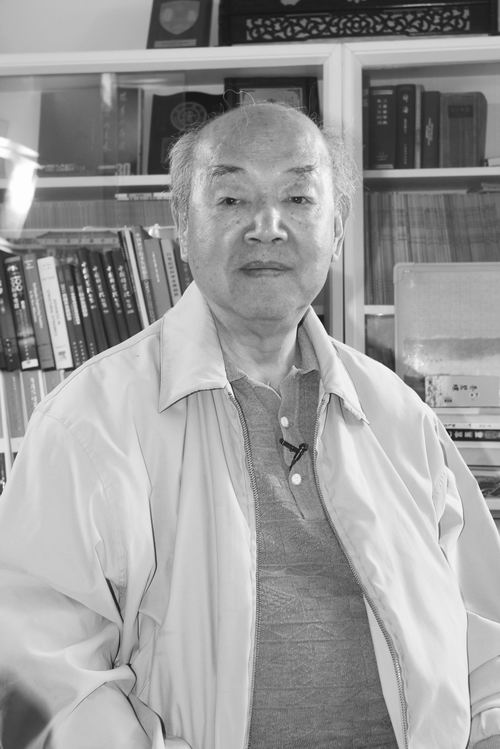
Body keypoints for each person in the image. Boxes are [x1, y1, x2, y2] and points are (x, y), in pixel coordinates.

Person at [1, 101, 500, 749]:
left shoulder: (401, 418)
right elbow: (38, 674)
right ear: (183, 226)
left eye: (298, 197)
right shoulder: (88, 422)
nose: (267, 227)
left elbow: (483, 641)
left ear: (337, 228)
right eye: (232, 198)